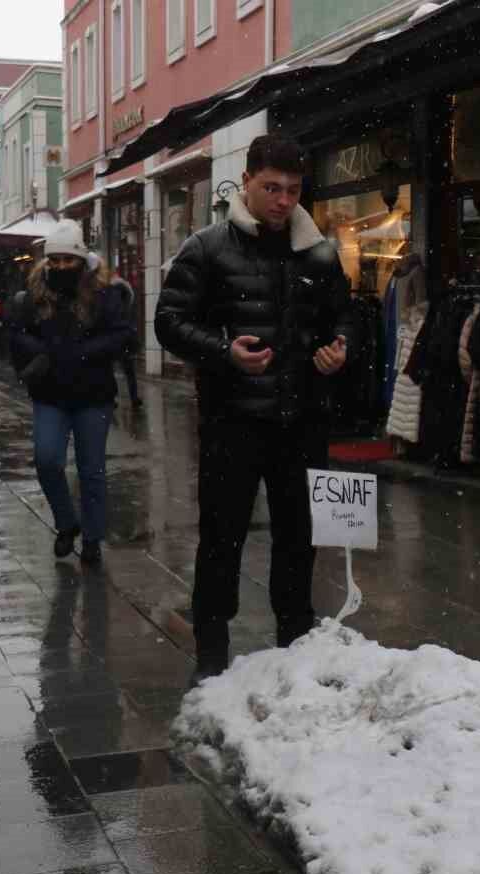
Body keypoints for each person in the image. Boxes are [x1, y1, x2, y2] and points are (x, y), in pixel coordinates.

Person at [155, 133, 353, 679]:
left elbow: (344, 315)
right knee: (221, 540)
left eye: (292, 190)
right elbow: (168, 323)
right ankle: (212, 658)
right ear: (246, 183)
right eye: (272, 188)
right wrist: (223, 351)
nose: (283, 200)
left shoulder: (319, 251)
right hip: (232, 422)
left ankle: (295, 650)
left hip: (302, 421)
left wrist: (340, 348)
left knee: (299, 540)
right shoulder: (207, 247)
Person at [7, 221, 131, 566]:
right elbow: (17, 333)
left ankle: (92, 537)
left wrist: (82, 351)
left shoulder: (105, 293)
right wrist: (45, 350)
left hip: (94, 394)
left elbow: (123, 335)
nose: (61, 266)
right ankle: (66, 522)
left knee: (92, 470)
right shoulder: (34, 292)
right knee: (47, 460)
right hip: (50, 393)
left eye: (67, 260)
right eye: (55, 260)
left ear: (80, 257)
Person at [90, 252, 142, 406]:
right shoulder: (125, 299)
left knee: (110, 368)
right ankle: (132, 397)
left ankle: (113, 398)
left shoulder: (111, 295)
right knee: (128, 370)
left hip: (116, 338)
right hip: (123, 339)